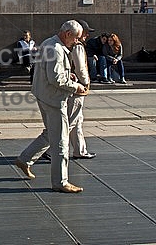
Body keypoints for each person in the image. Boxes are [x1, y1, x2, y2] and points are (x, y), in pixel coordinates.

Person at [15, 20, 88, 193]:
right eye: (76, 38)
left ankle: (25, 159)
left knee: (50, 133)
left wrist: (67, 73)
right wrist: (75, 86)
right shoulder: (56, 49)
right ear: (68, 34)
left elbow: (50, 72)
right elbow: (55, 79)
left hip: (44, 96)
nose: (77, 42)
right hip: (55, 100)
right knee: (61, 141)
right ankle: (60, 182)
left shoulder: (49, 43)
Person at [68, 20, 96, 159]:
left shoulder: (71, 45)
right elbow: (80, 68)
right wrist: (85, 82)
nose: (87, 36)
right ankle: (49, 150)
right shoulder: (78, 47)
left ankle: (80, 150)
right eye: (86, 32)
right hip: (77, 87)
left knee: (77, 120)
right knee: (71, 121)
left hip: (74, 87)